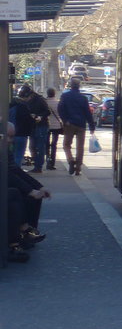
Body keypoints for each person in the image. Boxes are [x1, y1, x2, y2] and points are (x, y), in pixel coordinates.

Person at [6, 123, 51, 262]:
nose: (10, 140)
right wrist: (30, 190)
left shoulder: (5, 150)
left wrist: (38, 187)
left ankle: (26, 235)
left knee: (31, 195)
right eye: (7, 137)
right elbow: (7, 173)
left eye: (12, 137)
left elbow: (15, 171)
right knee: (15, 194)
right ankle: (20, 236)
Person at [57, 77, 96, 175]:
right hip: (81, 125)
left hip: (69, 124)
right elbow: (88, 113)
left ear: (70, 85)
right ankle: (78, 168)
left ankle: (70, 161)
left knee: (66, 145)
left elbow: (60, 109)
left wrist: (65, 120)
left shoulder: (65, 96)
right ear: (79, 86)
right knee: (80, 147)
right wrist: (92, 126)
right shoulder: (83, 98)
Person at [21, 85, 51, 173]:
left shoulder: (40, 100)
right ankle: (36, 162)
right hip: (32, 125)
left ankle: (39, 166)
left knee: (40, 146)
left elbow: (47, 111)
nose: (26, 99)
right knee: (32, 146)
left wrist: (40, 117)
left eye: (27, 97)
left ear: (31, 94)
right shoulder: (26, 102)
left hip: (41, 125)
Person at [8, 88, 36, 166]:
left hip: (10, 133)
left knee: (12, 155)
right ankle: (16, 172)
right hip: (21, 134)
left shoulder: (11, 106)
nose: (30, 98)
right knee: (19, 155)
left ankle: (12, 172)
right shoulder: (23, 107)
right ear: (26, 96)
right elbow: (27, 120)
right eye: (30, 96)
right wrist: (33, 119)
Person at [45, 88, 63, 170]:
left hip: (47, 125)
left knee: (46, 144)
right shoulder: (58, 103)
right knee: (54, 144)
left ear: (47, 93)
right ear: (54, 94)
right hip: (56, 126)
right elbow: (61, 114)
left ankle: (47, 160)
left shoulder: (44, 102)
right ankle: (52, 163)